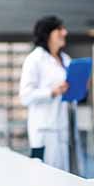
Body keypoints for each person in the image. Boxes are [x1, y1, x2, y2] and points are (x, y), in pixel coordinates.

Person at [19, 16, 71, 171]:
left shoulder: (66, 59)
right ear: (48, 34)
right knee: (46, 177)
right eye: (59, 29)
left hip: (62, 128)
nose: (65, 32)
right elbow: (25, 96)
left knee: (65, 179)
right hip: (44, 130)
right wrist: (51, 92)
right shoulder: (35, 59)